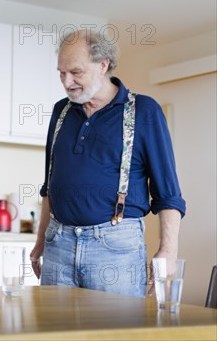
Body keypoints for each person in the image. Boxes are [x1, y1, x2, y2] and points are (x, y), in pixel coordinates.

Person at [29, 29, 185, 297]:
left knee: (116, 334)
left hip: (115, 248)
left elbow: (168, 194)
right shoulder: (61, 111)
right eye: (61, 72)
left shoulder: (144, 111)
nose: (67, 82)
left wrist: (168, 250)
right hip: (59, 245)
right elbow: (50, 185)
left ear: (103, 65)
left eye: (75, 72)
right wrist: (41, 239)